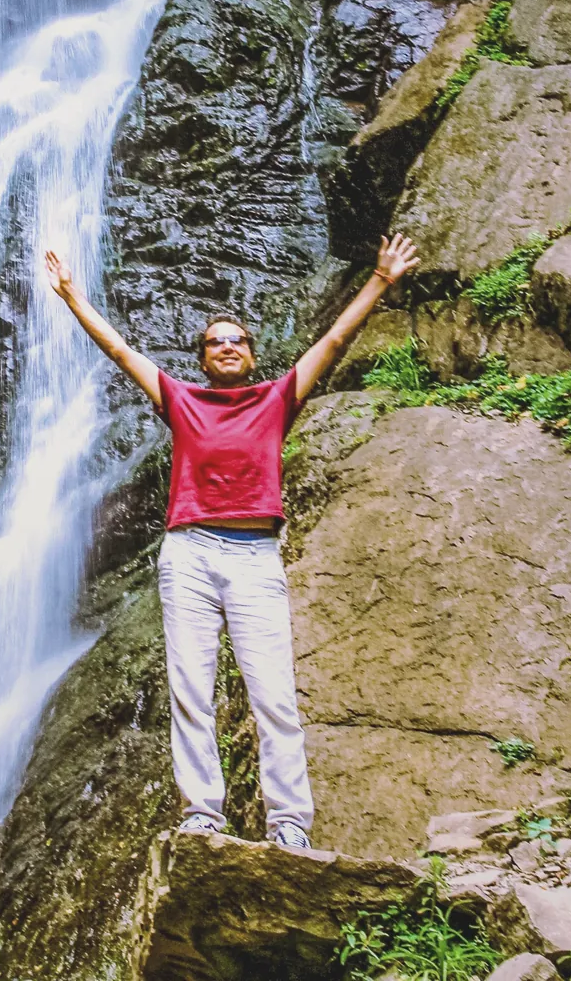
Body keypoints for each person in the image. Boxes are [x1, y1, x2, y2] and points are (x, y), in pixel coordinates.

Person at [44, 232, 421, 849]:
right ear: (201, 359)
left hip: (254, 556)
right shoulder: (182, 400)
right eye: (214, 342)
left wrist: (381, 279)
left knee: (272, 694)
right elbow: (118, 349)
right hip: (189, 553)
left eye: (236, 340)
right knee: (191, 690)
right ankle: (202, 813)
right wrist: (71, 296)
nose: (226, 347)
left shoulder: (277, 399)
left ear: (251, 354)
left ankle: (290, 823)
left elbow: (334, 341)